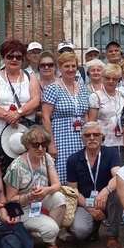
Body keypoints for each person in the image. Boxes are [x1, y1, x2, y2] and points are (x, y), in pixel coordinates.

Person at [4, 125, 68, 248]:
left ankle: (49, 238)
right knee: (52, 229)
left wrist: (46, 190)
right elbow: (10, 200)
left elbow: (57, 185)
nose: (40, 148)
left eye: (44, 144)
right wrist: (29, 197)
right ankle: (46, 235)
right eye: (36, 145)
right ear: (27, 145)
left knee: (59, 197)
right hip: (23, 207)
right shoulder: (16, 167)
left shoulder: (46, 158)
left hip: (39, 200)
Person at [0, 39, 41, 172]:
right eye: (10, 56)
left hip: (23, 132)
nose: (14, 59)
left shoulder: (30, 76)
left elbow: (36, 100)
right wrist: (8, 116)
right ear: (4, 57)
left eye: (18, 57)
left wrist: (18, 113)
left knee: (24, 171)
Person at [66, 122, 123, 248]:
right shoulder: (73, 159)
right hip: (86, 203)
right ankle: (93, 227)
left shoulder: (111, 153)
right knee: (80, 232)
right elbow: (72, 190)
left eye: (96, 134)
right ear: (82, 139)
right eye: (87, 135)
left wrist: (106, 191)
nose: (92, 138)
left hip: (107, 200)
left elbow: (119, 176)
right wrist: (89, 208)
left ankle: (112, 236)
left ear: (102, 137)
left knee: (118, 193)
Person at [41, 51, 90, 182]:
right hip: (61, 139)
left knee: (82, 174)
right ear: (59, 68)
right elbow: (45, 117)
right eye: (67, 66)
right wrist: (51, 144)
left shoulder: (83, 88)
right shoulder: (53, 88)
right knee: (64, 176)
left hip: (81, 140)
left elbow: (85, 115)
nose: (70, 69)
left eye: (73, 66)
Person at [87, 63, 124, 164]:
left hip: (121, 142)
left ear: (119, 80)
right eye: (107, 78)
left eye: (114, 79)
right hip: (104, 143)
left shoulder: (122, 95)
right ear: (102, 78)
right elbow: (92, 123)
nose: (110, 81)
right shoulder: (95, 96)